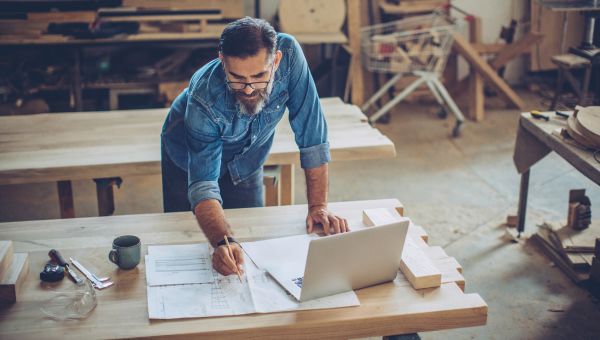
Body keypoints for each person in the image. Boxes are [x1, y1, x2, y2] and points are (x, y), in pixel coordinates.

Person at [160, 17, 348, 276]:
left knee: (252, 247)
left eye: (259, 76)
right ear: (222, 61)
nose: (248, 89)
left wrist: (318, 207)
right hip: (186, 158)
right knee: (185, 248)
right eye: (237, 77)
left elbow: (312, 137)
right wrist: (222, 242)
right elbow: (203, 184)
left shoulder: (291, 56)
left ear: (277, 61)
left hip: (247, 158)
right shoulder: (203, 99)